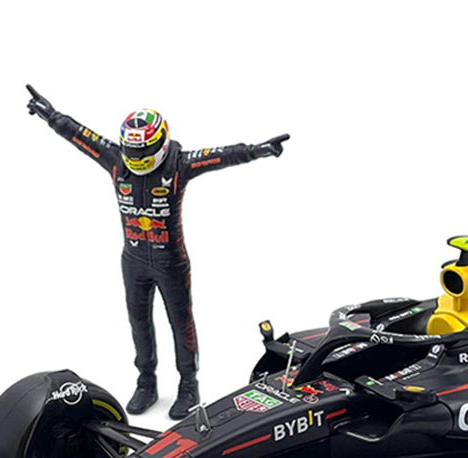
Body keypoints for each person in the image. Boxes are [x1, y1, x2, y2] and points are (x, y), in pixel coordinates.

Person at [25, 85, 289, 419]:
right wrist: (51, 116)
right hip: (133, 260)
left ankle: (189, 385)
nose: (135, 159)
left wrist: (257, 150)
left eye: (143, 152)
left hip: (171, 262)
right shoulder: (116, 159)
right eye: (131, 152)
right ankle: (146, 382)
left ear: (160, 144)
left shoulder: (179, 165)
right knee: (139, 322)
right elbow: (81, 135)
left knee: (180, 323)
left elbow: (221, 155)